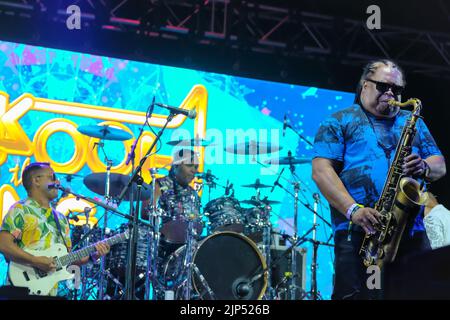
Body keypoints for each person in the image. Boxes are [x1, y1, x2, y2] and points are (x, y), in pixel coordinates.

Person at [312, 59, 446, 299]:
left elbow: (440, 164)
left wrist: (425, 166)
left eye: (397, 89)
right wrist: (353, 210)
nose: (391, 93)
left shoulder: (411, 121)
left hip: (411, 230)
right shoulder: (338, 120)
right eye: (383, 87)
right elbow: (321, 171)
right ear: (364, 85)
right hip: (359, 232)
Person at [0, 162, 110, 297]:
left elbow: (67, 259)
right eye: (53, 177)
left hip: (50, 291)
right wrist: (36, 261)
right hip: (20, 290)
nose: (58, 181)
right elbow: (4, 244)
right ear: (36, 181)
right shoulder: (20, 210)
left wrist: (93, 255)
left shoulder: (61, 219)